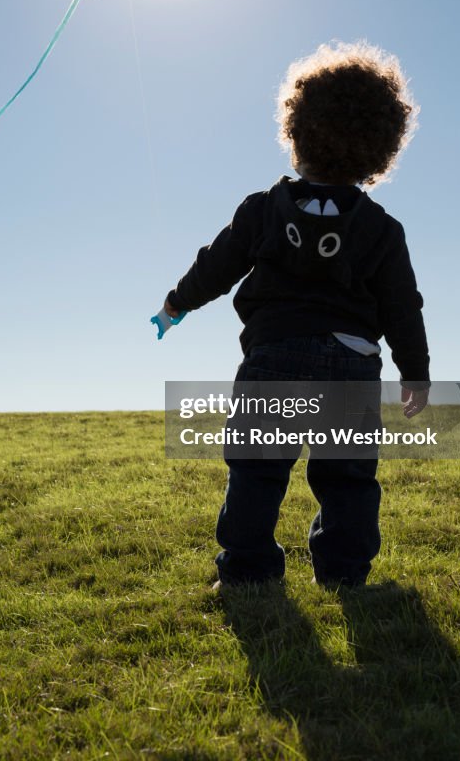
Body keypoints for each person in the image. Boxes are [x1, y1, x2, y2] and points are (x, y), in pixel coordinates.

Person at [162, 41, 430, 590]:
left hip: (274, 357)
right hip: (352, 362)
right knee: (348, 476)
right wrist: (416, 372)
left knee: (256, 468)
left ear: (296, 131)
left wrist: (176, 303)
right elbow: (404, 308)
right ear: (379, 148)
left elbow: (216, 266)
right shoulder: (382, 229)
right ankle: (344, 575)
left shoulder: (262, 209)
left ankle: (246, 572)